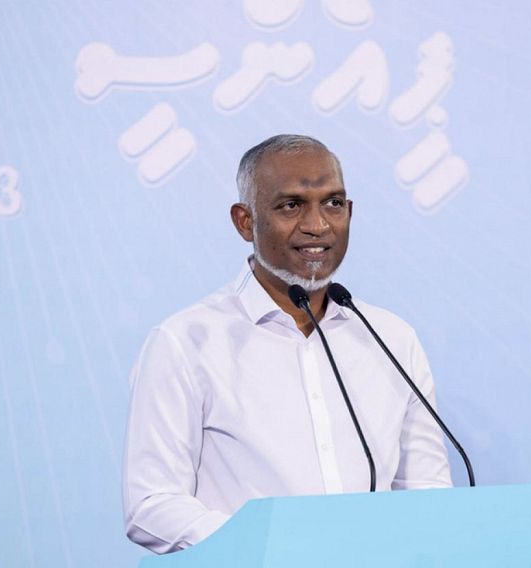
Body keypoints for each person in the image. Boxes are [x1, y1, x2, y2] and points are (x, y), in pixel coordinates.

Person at [122, 134, 452, 553]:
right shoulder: (184, 343)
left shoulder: (391, 338)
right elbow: (152, 504)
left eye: (333, 203)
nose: (317, 225)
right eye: (291, 205)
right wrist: (274, 549)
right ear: (245, 221)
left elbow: (427, 492)